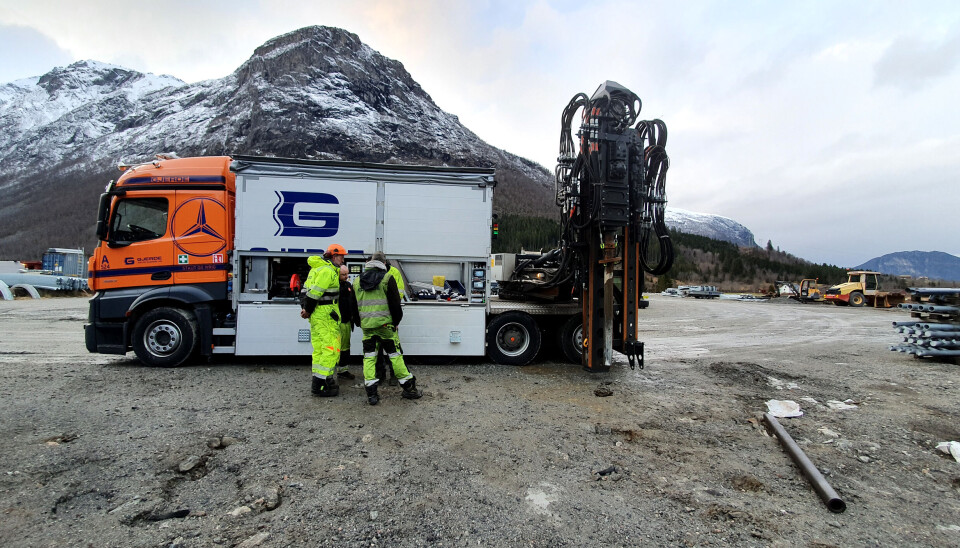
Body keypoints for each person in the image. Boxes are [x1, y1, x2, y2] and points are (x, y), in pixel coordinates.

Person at [354, 251, 422, 405]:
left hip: (368, 327)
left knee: (369, 358)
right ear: (384, 263)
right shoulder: (387, 278)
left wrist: (361, 323)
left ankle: (372, 394)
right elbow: (395, 304)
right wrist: (396, 321)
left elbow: (354, 306)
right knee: (395, 356)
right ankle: (409, 388)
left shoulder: (357, 281)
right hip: (386, 326)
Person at [300, 244, 347, 397]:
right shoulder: (327, 271)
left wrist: (306, 309)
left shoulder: (316, 269)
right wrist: (307, 309)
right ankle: (322, 384)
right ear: (334, 256)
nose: (343, 259)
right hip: (326, 315)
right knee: (331, 348)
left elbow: (305, 291)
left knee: (319, 349)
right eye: (341, 256)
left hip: (318, 316)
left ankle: (319, 381)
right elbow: (315, 294)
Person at [336, 264, 359, 380]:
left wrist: (356, 319)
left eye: (347, 274)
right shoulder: (334, 286)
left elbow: (353, 303)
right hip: (337, 323)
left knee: (345, 347)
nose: (346, 276)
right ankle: (330, 373)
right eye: (343, 274)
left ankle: (343, 370)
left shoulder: (349, 285)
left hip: (347, 322)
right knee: (335, 348)